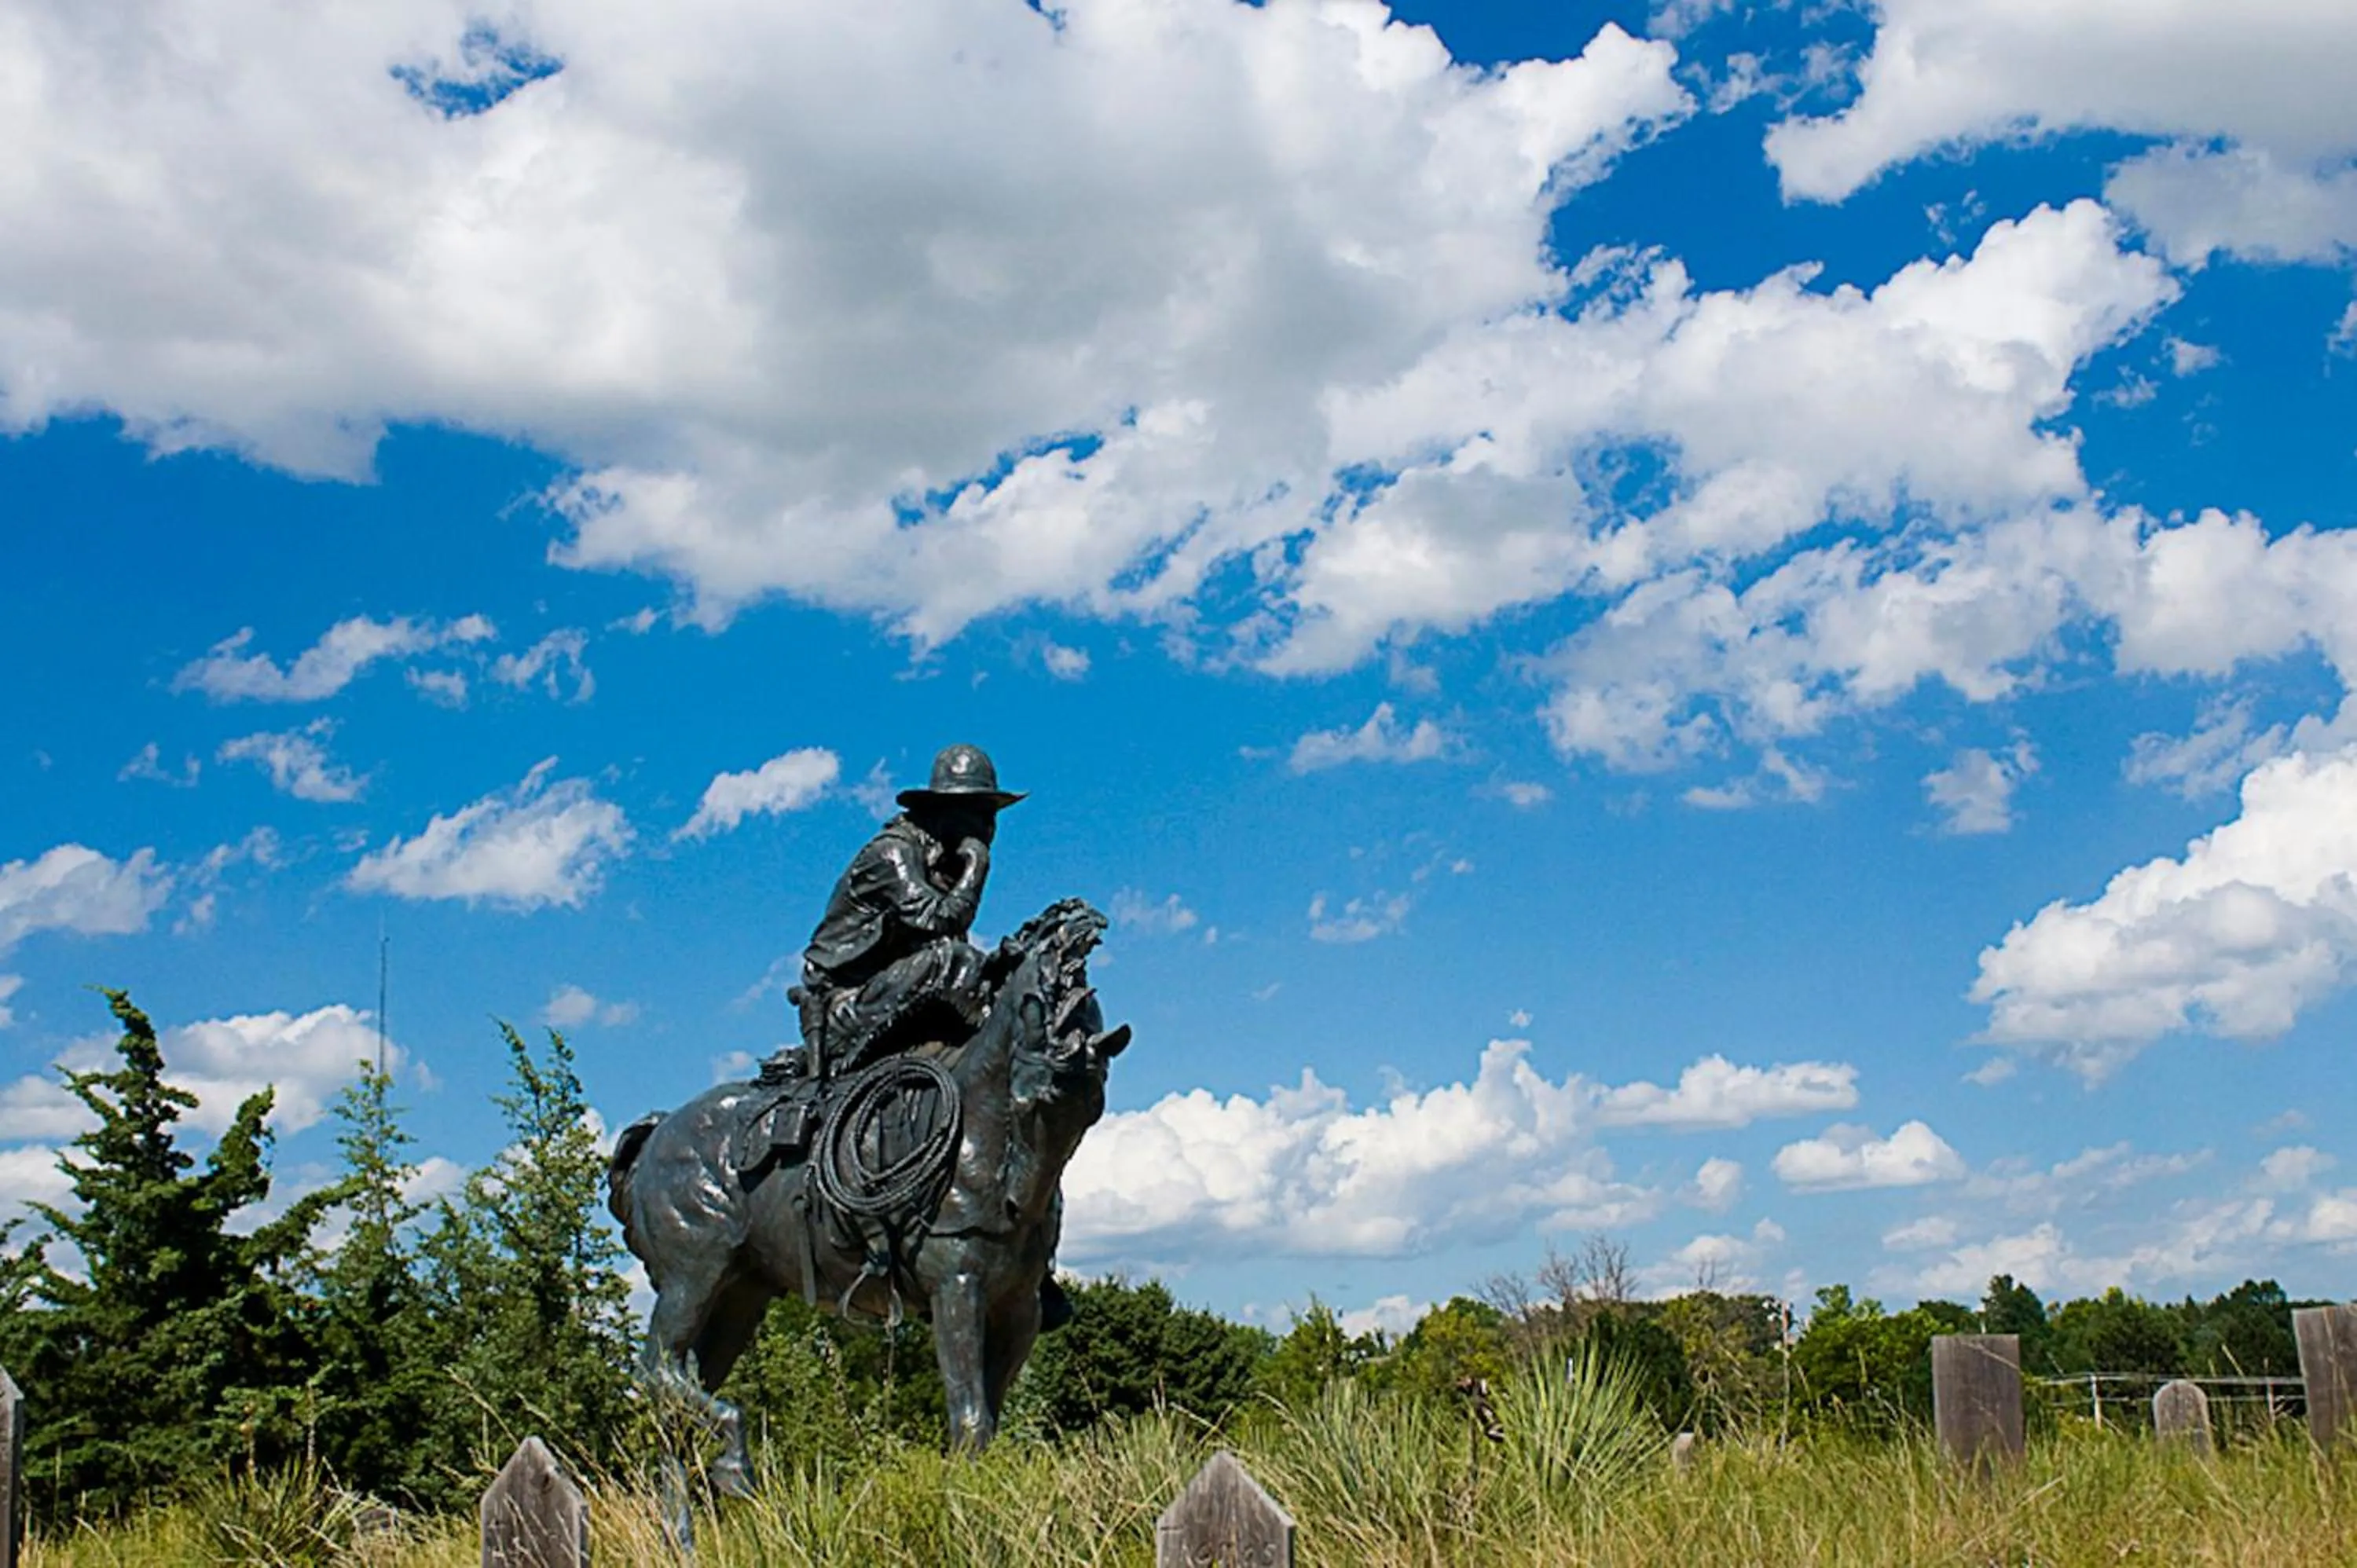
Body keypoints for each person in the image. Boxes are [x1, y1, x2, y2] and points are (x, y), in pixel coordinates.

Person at [793, 743, 1023, 1077]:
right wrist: (977, 866)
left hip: (898, 994)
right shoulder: (894, 854)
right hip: (846, 1008)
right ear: (945, 810)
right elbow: (941, 923)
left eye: (991, 815)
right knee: (952, 960)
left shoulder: (942, 863)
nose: (987, 827)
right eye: (976, 811)